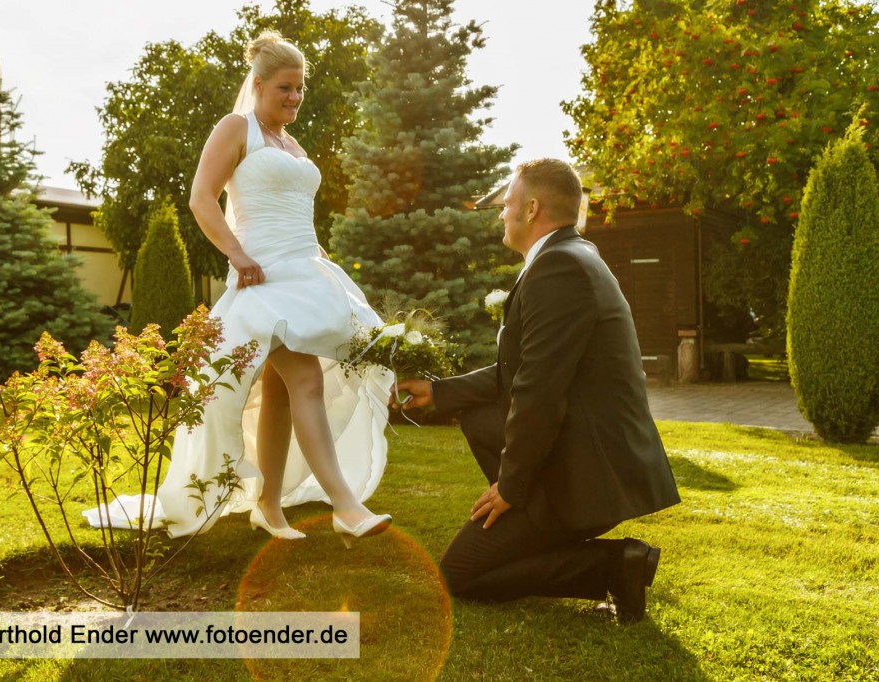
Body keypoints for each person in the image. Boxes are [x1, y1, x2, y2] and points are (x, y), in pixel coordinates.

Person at [87, 32, 392, 546]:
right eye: (284, 88)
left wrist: (315, 251)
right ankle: (346, 505)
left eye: (299, 88)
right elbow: (202, 198)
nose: (294, 98)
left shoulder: (292, 145)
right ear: (258, 84)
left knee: (279, 391)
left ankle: (269, 507)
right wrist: (236, 253)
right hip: (262, 280)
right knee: (307, 382)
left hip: (305, 274)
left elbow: (295, 209)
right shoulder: (236, 128)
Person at [396, 159, 680, 622]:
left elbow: (539, 392)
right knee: (475, 413)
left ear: (531, 209)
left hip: (593, 471)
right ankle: (548, 526)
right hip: (585, 453)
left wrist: (512, 485)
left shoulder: (559, 268)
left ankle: (613, 564)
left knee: (459, 574)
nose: (501, 214)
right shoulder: (568, 257)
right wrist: (440, 392)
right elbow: (521, 369)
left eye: (506, 204)